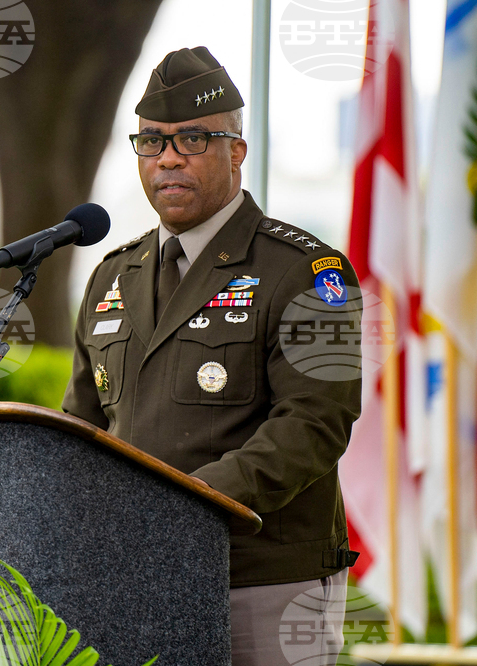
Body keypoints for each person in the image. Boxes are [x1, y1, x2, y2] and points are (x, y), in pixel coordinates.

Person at [61, 46, 362, 666]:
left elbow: (315, 423)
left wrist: (187, 507)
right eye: (152, 142)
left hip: (261, 578)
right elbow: (82, 430)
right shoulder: (112, 276)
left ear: (237, 152)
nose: (168, 157)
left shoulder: (308, 271)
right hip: (135, 576)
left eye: (193, 139)